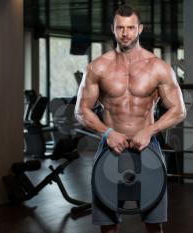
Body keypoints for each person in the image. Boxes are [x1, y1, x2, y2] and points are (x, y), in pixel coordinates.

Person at [74, 4, 186, 233]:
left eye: (131, 28)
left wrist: (150, 130)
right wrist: (107, 133)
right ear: (113, 29)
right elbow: (80, 110)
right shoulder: (98, 67)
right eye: (120, 28)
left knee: (154, 223)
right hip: (110, 147)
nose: (125, 33)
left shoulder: (158, 67)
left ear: (140, 29)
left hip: (147, 147)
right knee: (107, 223)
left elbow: (179, 110)